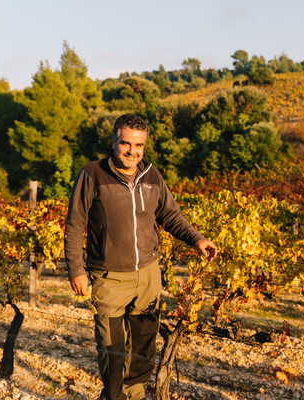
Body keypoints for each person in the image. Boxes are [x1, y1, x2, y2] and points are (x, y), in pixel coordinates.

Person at [64, 113, 217, 400]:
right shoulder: (92, 174)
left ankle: (134, 395)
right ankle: (114, 397)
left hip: (148, 276)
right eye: (126, 144)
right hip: (108, 279)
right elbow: (74, 224)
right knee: (113, 350)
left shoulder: (152, 176)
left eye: (139, 145)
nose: (132, 151)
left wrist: (196, 238)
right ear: (113, 142)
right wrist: (76, 269)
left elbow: (170, 215)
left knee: (144, 348)